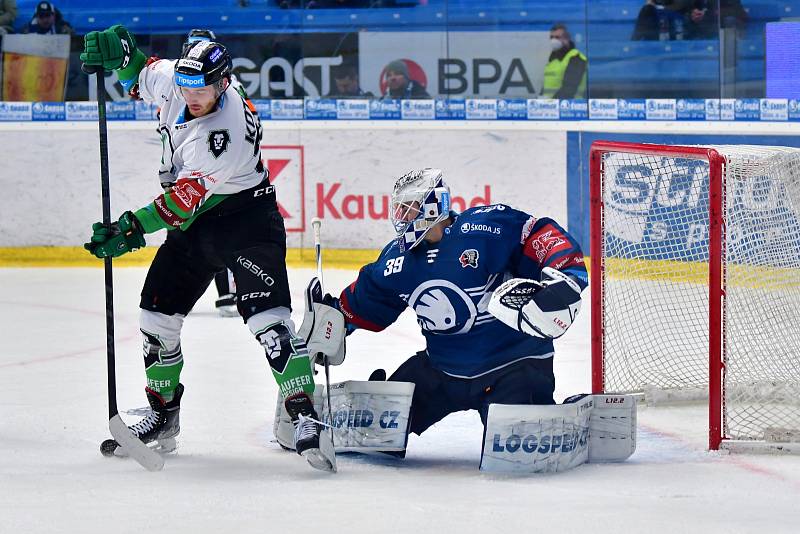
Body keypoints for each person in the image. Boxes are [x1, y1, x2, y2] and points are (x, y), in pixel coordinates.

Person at [80, 25, 333, 471]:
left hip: (246, 222)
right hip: (196, 228)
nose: (193, 96)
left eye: (204, 89)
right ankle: (163, 415)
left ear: (223, 84)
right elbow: (140, 71)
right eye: (188, 85)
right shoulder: (179, 79)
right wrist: (122, 56)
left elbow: (181, 201)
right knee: (155, 316)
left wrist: (132, 227)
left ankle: (306, 418)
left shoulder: (224, 132)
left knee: (269, 324)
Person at [320, 168, 587, 443]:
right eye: (399, 209)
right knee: (375, 432)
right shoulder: (398, 258)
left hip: (513, 365)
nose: (402, 217)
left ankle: (568, 417)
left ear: (433, 205)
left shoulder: (485, 228)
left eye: (409, 208)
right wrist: (335, 321)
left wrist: (566, 274)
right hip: (442, 369)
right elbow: (369, 296)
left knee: (520, 445)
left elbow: (538, 235)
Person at [542, 24, 586, 99]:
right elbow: (547, 86)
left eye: (557, 37)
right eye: (551, 37)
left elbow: (569, 89)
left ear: (567, 39)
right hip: (550, 107)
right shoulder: (552, 59)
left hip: (571, 106)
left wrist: (551, 104)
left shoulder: (575, 58)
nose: (553, 40)